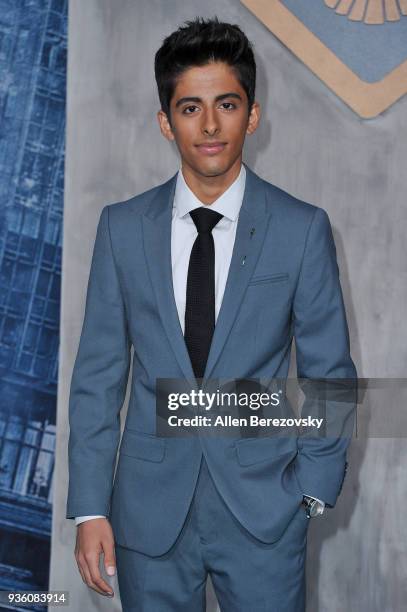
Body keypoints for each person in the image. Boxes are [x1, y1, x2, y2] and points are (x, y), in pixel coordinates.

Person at [66, 16, 357, 611]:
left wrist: (311, 495)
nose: (210, 124)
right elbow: (97, 378)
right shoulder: (122, 229)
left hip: (265, 515)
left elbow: (331, 375)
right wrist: (93, 506)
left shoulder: (301, 230)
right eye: (190, 107)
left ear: (252, 114)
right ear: (165, 122)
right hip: (147, 517)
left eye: (226, 104)